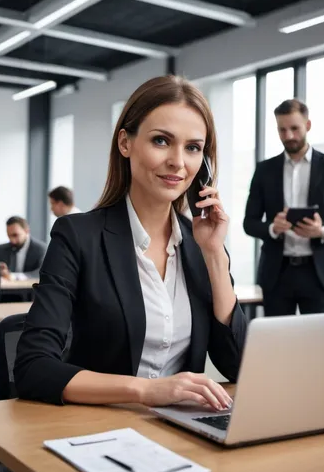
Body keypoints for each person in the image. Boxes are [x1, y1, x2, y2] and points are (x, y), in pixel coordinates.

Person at [14, 75, 247, 410]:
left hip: (180, 431)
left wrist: (214, 256)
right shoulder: (77, 237)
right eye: (162, 141)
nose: (178, 162)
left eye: (193, 148)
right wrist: (145, 390)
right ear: (125, 143)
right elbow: (32, 368)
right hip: (97, 426)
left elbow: (237, 366)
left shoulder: (201, 244)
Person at [243, 99, 324, 316]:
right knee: (278, 343)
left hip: (319, 273)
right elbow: (249, 223)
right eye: (282, 129)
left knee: (317, 344)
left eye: (294, 128)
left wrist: (322, 230)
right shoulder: (264, 170)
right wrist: (272, 228)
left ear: (308, 125)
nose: (288, 136)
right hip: (277, 273)